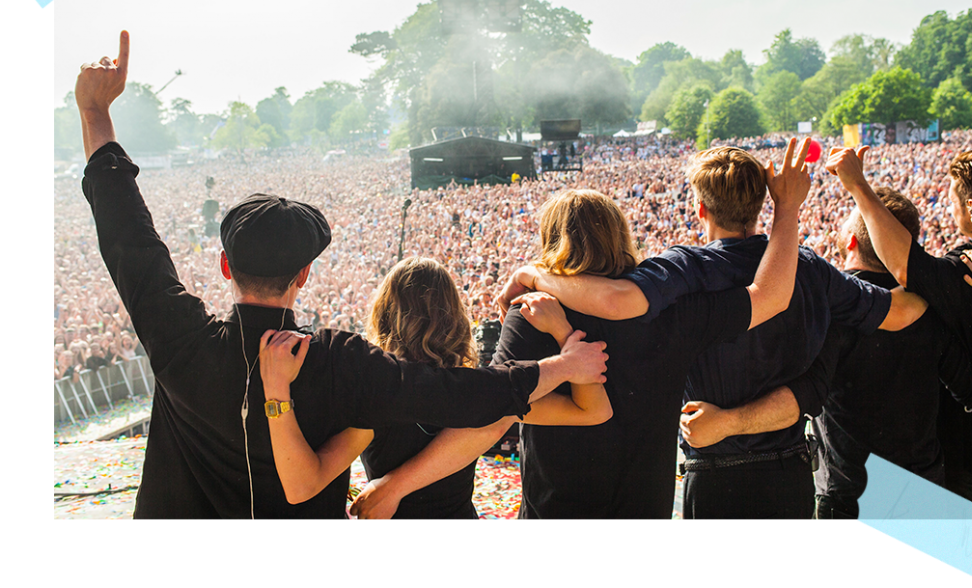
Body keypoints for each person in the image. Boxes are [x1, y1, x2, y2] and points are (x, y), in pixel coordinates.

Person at [75, 31, 609, 519]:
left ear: (225, 266)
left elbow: (127, 233)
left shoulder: (178, 335)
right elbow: (461, 393)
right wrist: (561, 365)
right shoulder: (337, 361)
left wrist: (95, 111)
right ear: (304, 274)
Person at [349, 138, 812, 519]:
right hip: (643, 509)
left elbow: (490, 418)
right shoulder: (673, 309)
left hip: (557, 510)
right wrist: (786, 212)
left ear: (551, 242)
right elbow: (768, 299)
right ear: (620, 236)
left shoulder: (531, 314)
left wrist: (396, 486)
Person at [498, 145, 929, 519]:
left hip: (712, 472)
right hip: (811, 471)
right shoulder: (809, 268)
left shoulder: (685, 271)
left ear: (701, 208)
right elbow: (899, 311)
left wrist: (533, 274)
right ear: (761, 202)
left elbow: (616, 300)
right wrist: (948, 280)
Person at [259, 256, 612, 519]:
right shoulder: (486, 395)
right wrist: (569, 341)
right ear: (454, 316)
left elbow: (303, 484)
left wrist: (276, 395)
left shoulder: (371, 406)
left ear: (384, 316)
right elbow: (593, 410)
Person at [810, 187, 972, 519]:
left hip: (851, 496)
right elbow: (971, 390)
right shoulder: (934, 311)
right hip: (923, 492)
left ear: (850, 243)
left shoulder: (826, 313)